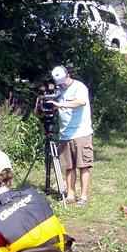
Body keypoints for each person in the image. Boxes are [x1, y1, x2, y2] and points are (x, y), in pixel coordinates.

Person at [48, 65, 93, 205]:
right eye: (58, 83)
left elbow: (81, 102)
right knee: (69, 166)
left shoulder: (79, 87)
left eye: (62, 82)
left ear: (68, 75)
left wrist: (60, 105)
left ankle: (84, 197)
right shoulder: (58, 91)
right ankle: (70, 196)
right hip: (65, 134)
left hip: (81, 132)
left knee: (83, 165)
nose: (60, 85)